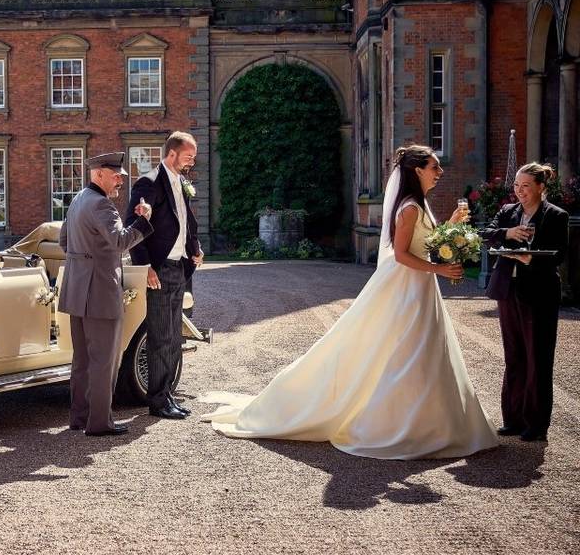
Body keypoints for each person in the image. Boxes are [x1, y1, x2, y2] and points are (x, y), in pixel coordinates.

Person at [201, 145, 498, 459]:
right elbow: (401, 254)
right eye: (434, 167)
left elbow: (427, 240)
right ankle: (400, 424)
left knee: (423, 349)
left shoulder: (419, 203)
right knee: (404, 349)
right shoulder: (410, 207)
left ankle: (430, 423)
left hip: (420, 286)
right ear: (417, 171)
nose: (440, 172)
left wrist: (452, 221)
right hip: (406, 286)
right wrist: (438, 268)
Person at [59, 152, 153, 437]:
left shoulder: (77, 200)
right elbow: (120, 242)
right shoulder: (101, 205)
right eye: (115, 176)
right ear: (99, 174)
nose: (120, 182)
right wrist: (143, 221)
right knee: (105, 360)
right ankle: (100, 423)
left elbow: (64, 241)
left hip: (77, 289)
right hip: (99, 290)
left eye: (122, 177)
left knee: (83, 359)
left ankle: (80, 417)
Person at [482, 162, 569, 442]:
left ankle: (536, 423)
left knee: (538, 358)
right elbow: (486, 236)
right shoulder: (508, 213)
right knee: (514, 355)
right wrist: (507, 234)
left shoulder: (556, 216)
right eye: (517, 186)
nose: (519, 191)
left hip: (540, 293)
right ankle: (513, 418)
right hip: (509, 291)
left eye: (526, 186)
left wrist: (530, 259)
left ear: (541, 187)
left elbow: (559, 255)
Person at [125, 132, 203, 420]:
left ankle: (168, 395)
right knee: (159, 336)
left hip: (179, 267)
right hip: (158, 269)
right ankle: (157, 402)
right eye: (189, 155)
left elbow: (185, 223)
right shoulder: (148, 182)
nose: (192, 161)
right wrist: (145, 266)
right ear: (172, 153)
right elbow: (134, 224)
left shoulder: (181, 183)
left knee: (173, 337)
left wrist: (195, 249)